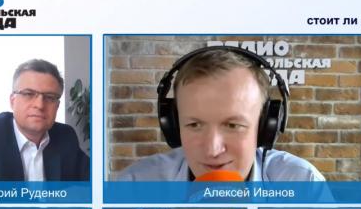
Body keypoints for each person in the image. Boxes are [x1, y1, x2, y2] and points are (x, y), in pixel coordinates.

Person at [114, 47, 325, 182]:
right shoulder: (134, 185)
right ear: (173, 126)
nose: (213, 150)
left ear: (264, 128)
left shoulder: (302, 182)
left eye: (233, 125)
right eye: (194, 125)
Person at [0, 59, 89, 181]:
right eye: (28, 94)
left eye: (49, 97)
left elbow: (94, 182)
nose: (40, 105)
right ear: (13, 101)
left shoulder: (66, 136)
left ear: (57, 106)